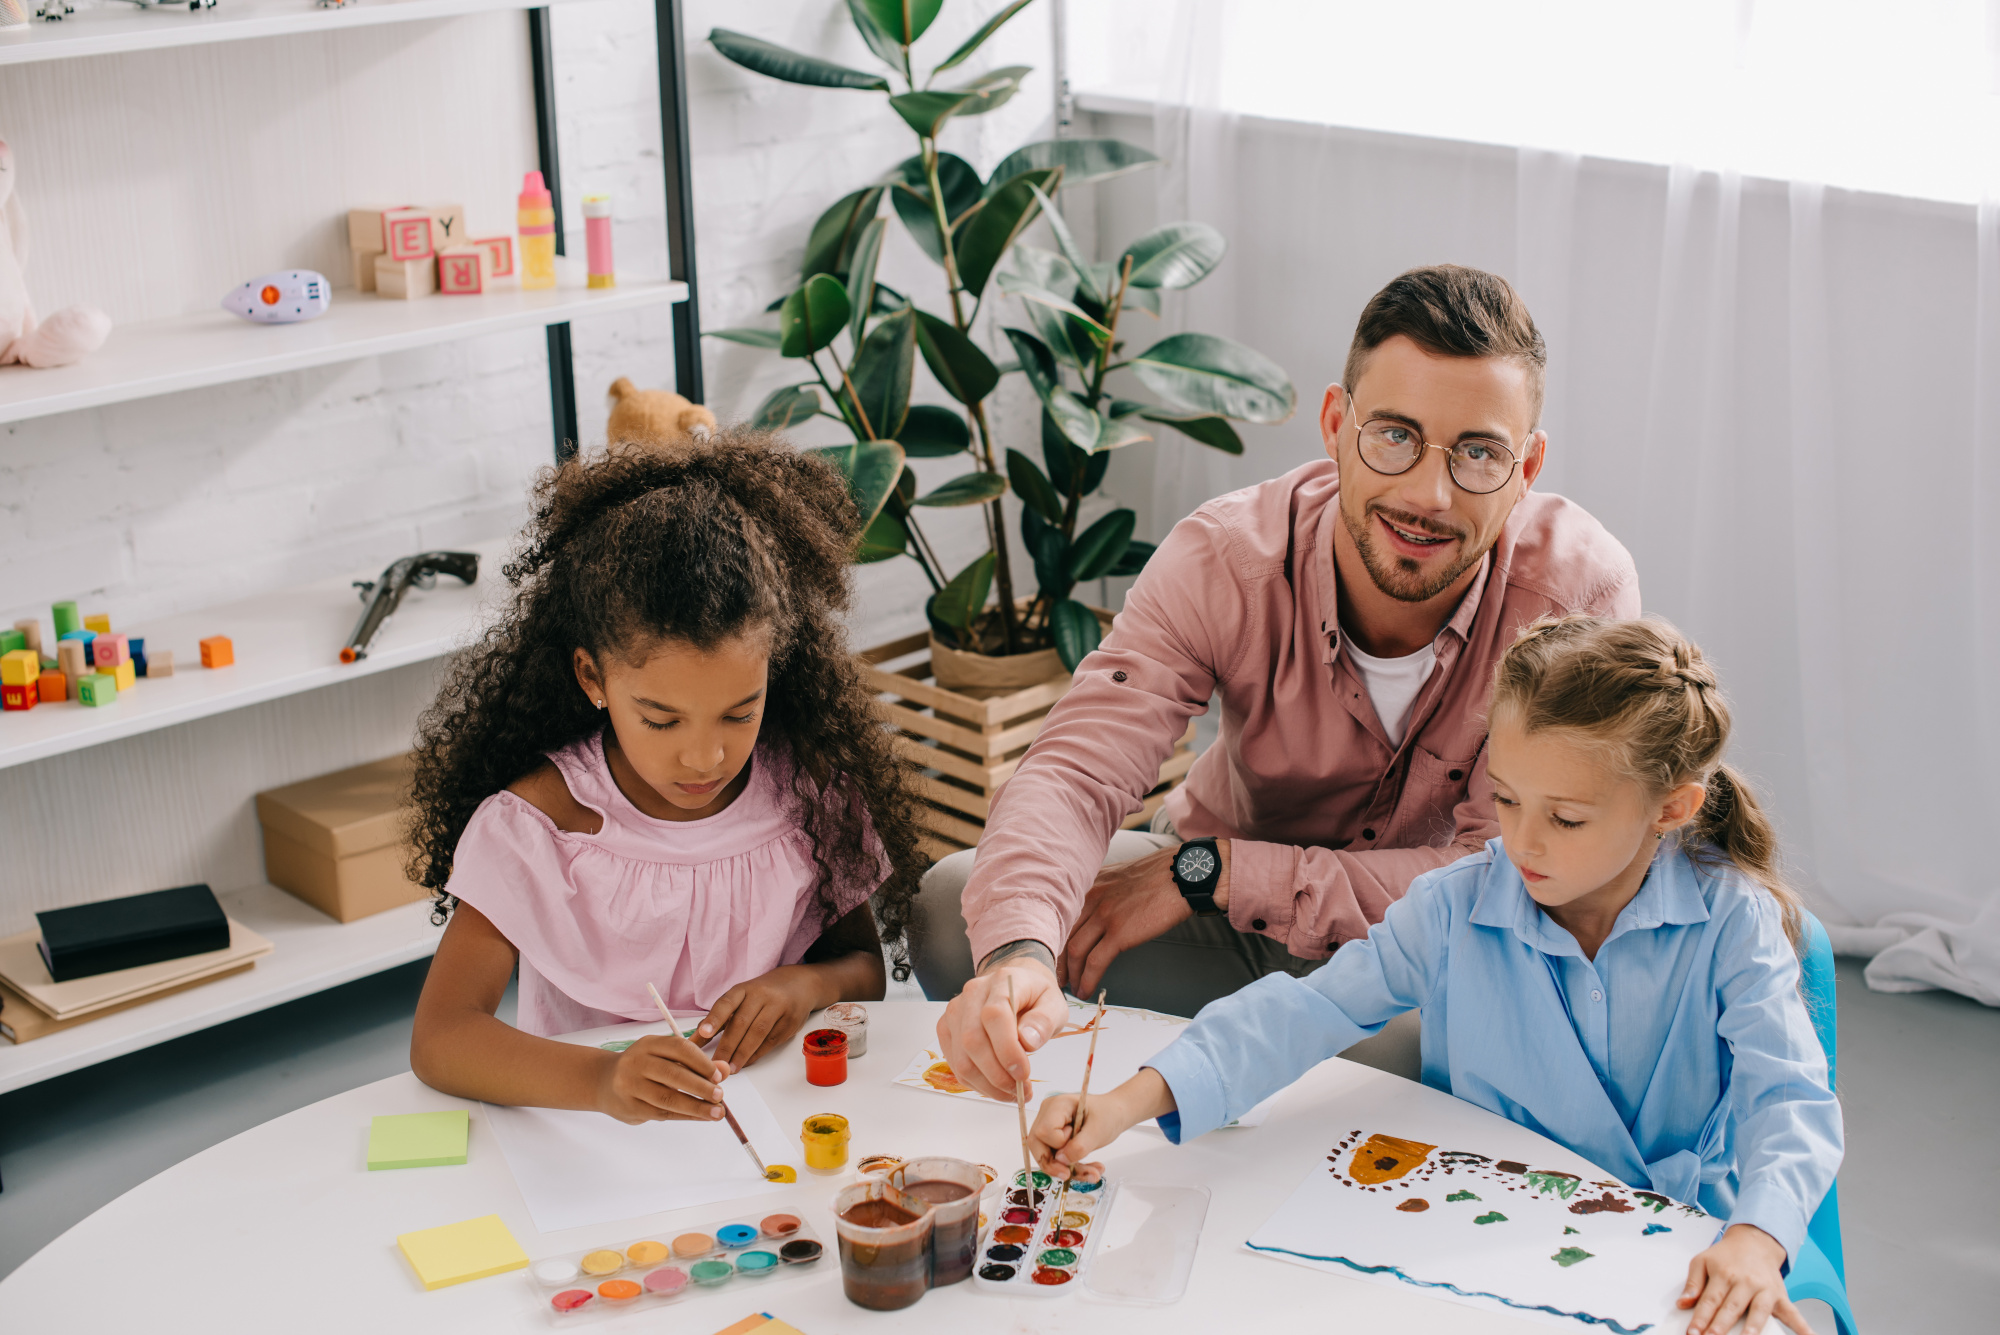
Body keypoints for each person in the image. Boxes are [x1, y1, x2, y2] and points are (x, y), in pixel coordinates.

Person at [923, 264, 1640, 1100]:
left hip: (1421, 947)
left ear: (1527, 468)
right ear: (1337, 424)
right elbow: (1076, 771)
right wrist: (1019, 957)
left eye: (1478, 453)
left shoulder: (1578, 594)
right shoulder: (1225, 557)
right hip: (1214, 918)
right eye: (1394, 436)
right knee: (954, 912)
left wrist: (1215, 869)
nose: (1427, 495)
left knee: (1436, 1060)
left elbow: (1499, 876)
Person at [1029, 616, 1839, 1335]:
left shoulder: (1732, 919)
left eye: (1565, 818)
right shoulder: (1456, 905)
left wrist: (1754, 1240)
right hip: (1487, 1244)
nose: (1522, 843)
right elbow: (1302, 1015)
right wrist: (1126, 1102)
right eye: (1508, 799)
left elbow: (1790, 1097)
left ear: (1670, 808)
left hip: (1689, 1245)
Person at [405, 432, 924, 1124]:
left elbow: (864, 967)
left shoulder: (807, 793)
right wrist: (601, 1079)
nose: (705, 758)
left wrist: (801, 985)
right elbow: (440, 1039)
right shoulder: (537, 826)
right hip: (588, 1141)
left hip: (770, 1127)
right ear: (594, 678)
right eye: (661, 720)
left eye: (740, 713)